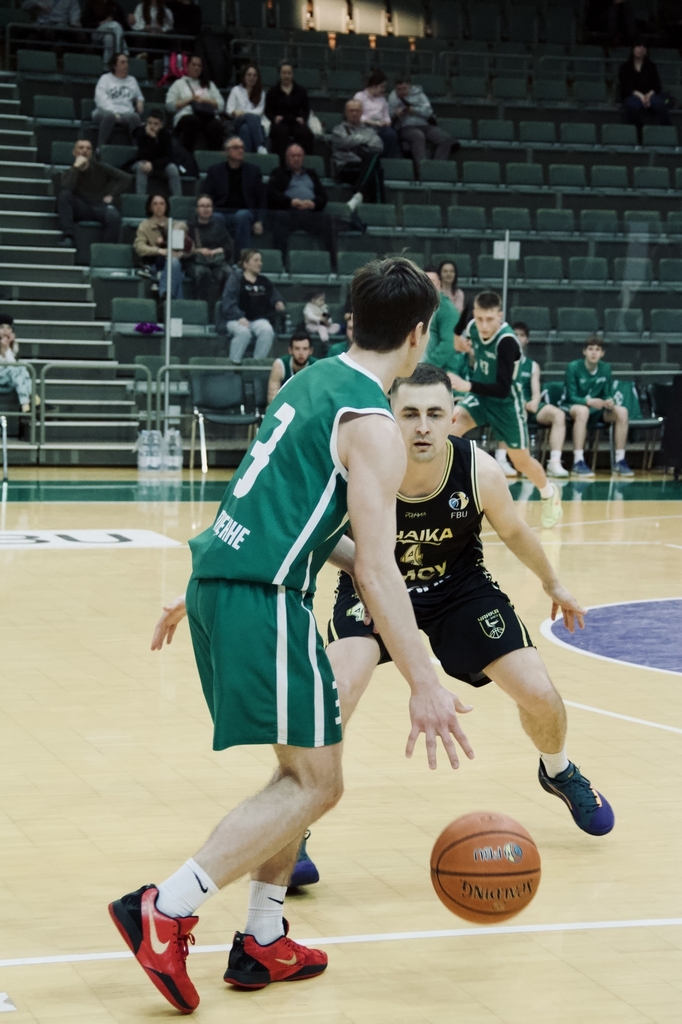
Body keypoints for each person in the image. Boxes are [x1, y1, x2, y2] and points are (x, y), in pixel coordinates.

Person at [108, 257, 469, 1015]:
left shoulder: (309, 382)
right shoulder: (373, 426)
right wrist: (426, 682)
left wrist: (206, 580)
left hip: (230, 582)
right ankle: (165, 909)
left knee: (303, 777)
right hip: (264, 599)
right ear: (418, 334)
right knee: (315, 783)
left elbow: (279, 505)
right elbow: (378, 569)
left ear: (351, 320)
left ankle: (264, 936)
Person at [298, 362, 613, 885]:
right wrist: (364, 569)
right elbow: (317, 532)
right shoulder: (357, 464)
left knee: (540, 694)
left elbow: (514, 531)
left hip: (458, 589)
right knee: (335, 692)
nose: (422, 426)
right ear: (390, 417)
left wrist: (553, 582)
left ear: (453, 418)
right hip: (371, 583)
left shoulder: (479, 471)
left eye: (434, 414)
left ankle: (558, 770)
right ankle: (294, 823)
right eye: (410, 414)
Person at [448, 291, 563, 528]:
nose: (484, 325)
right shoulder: (473, 326)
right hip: (480, 397)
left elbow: (501, 389)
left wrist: (466, 385)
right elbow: (458, 342)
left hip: (507, 403)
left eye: (489, 320)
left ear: (500, 316)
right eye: (479, 318)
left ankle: (549, 493)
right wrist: (461, 327)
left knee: (521, 461)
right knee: (448, 432)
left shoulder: (507, 341)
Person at [496, 322, 569, 480]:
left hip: (529, 405)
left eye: (522, 335)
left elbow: (536, 393)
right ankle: (501, 459)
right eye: (515, 334)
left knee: (558, 415)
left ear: (526, 340)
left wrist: (535, 401)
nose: (518, 338)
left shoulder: (532, 365)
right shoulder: (501, 361)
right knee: (513, 410)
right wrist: (519, 402)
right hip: (509, 403)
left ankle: (554, 462)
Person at [561, 337, 634, 477]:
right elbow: (571, 396)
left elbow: (607, 393)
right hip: (573, 406)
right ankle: (578, 461)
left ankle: (620, 460)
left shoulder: (605, 368)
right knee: (583, 411)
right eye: (590, 349)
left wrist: (609, 400)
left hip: (597, 409)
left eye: (597, 350)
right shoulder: (573, 367)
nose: (594, 353)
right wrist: (588, 401)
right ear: (584, 352)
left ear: (602, 353)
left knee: (622, 412)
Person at [267, 143, 336, 268]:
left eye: (299, 156)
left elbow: (323, 196)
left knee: (327, 220)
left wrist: (313, 203)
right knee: (280, 218)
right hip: (289, 212)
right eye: (293, 156)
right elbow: (272, 195)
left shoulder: (311, 174)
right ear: (286, 158)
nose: (296, 159)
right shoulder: (279, 173)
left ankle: (332, 263)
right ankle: (281, 263)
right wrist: (290, 202)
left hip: (310, 212)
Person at [57, 138, 129, 247]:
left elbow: (125, 178)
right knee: (64, 196)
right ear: (74, 152)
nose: (84, 151)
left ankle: (106, 250)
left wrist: (112, 194)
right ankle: (68, 237)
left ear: (91, 153)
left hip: (99, 206)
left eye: (88, 148)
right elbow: (66, 188)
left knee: (113, 215)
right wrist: (76, 168)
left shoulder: (100, 167)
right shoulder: (69, 172)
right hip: (81, 207)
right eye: (81, 148)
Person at [217, 248, 284, 362]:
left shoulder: (264, 281)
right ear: (246, 264)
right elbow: (228, 302)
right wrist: (239, 316)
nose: (260, 263)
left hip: (257, 319)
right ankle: (234, 364)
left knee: (267, 330)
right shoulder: (236, 280)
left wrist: (278, 302)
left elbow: (274, 295)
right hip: (235, 319)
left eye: (260, 260)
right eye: (256, 260)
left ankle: (256, 364)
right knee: (243, 333)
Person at [202, 136, 265, 257]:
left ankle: (242, 257)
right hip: (221, 211)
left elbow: (261, 199)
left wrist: (260, 221)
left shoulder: (254, 171)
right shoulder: (215, 171)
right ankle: (219, 257)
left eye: (242, 148)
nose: (240, 150)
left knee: (243, 215)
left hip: (244, 212)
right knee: (216, 217)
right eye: (236, 148)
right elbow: (206, 195)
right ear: (227, 151)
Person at [134, 193, 191, 299]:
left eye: (162, 203)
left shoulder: (175, 225)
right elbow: (139, 247)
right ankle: (174, 303)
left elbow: (189, 246)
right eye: (155, 204)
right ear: (150, 207)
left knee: (174, 263)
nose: (159, 207)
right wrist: (159, 251)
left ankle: (164, 295)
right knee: (175, 268)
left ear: (166, 206)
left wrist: (181, 253)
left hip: (175, 261)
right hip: (155, 263)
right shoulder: (144, 225)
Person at [331, 98, 384, 209]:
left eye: (357, 110)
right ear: (346, 113)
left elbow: (379, 147)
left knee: (375, 166)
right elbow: (345, 142)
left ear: (361, 112)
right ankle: (379, 208)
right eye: (351, 110)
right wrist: (365, 140)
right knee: (375, 167)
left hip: (362, 167)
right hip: (344, 167)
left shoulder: (369, 130)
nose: (354, 113)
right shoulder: (338, 130)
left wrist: (354, 140)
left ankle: (358, 195)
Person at [388, 76, 454, 164]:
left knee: (445, 139)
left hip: (424, 124)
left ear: (409, 86)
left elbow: (428, 111)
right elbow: (388, 116)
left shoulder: (419, 94)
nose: (402, 91)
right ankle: (422, 167)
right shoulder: (392, 97)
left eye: (404, 88)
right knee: (418, 136)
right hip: (405, 126)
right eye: (399, 89)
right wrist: (396, 113)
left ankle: (437, 165)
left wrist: (414, 110)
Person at [166, 53, 225, 153]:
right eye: (193, 65)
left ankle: (214, 156)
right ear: (187, 66)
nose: (196, 68)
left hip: (207, 116)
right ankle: (186, 155)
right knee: (193, 121)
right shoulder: (179, 84)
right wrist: (190, 100)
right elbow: (169, 105)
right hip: (187, 115)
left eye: (199, 66)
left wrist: (205, 100)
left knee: (216, 125)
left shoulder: (209, 84)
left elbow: (221, 105)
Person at [186, 194, 232, 308]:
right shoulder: (189, 227)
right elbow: (184, 250)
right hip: (196, 262)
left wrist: (219, 250)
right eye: (202, 206)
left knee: (228, 272)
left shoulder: (219, 226)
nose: (206, 209)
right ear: (197, 209)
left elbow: (229, 247)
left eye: (208, 206)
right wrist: (198, 250)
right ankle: (201, 306)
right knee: (202, 272)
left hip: (217, 262)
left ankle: (223, 306)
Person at [264, 60, 314, 158]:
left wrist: (303, 118)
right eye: (284, 73)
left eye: (289, 73)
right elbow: (268, 111)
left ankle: (305, 161)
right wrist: (274, 118)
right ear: (279, 74)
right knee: (279, 133)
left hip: (296, 121)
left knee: (305, 134)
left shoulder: (301, 91)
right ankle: (281, 162)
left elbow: (306, 109)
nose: (286, 76)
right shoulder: (272, 91)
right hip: (281, 122)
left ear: (292, 74)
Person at [93, 52, 144, 148]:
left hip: (126, 113)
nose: (126, 65)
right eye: (123, 62)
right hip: (105, 112)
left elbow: (139, 95)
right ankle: (100, 148)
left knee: (135, 117)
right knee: (109, 117)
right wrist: (115, 113)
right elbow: (100, 99)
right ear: (115, 66)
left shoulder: (132, 80)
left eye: (127, 62)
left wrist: (139, 101)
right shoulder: (105, 78)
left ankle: (137, 149)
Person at [128, 108, 181, 196]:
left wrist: (153, 164)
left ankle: (177, 198)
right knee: (142, 167)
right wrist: (150, 138)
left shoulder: (166, 135)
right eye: (149, 123)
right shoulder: (141, 133)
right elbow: (143, 156)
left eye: (155, 124)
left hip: (159, 165)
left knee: (172, 168)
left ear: (161, 125)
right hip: (143, 162)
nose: (152, 126)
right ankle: (140, 199)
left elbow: (169, 157)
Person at [619, 41, 671, 129]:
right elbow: (626, 86)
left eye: (644, 47)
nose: (641, 49)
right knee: (632, 106)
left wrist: (648, 95)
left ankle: (667, 130)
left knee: (660, 104)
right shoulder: (625, 67)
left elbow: (656, 85)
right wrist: (641, 96)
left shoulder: (651, 66)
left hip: (650, 95)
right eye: (639, 46)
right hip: (632, 95)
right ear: (633, 49)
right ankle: (638, 131)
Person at [354, 70, 400, 158]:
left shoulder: (382, 99)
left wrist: (386, 122)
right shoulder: (360, 96)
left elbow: (386, 116)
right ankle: (375, 160)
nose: (383, 89)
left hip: (380, 127)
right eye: (382, 87)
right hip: (364, 126)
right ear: (374, 86)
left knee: (391, 134)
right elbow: (356, 115)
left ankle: (385, 159)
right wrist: (372, 122)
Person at [226, 64, 268, 154]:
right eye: (249, 75)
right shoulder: (236, 90)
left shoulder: (261, 93)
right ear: (244, 76)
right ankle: (260, 146)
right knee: (250, 118)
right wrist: (236, 112)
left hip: (254, 121)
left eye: (254, 75)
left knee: (245, 128)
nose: (251, 77)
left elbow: (260, 111)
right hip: (238, 120)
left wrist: (245, 113)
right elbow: (229, 109)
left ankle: (246, 154)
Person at [267, 329, 316, 403]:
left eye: (305, 349)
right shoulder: (280, 365)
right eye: (297, 349)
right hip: (284, 406)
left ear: (310, 351)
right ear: (290, 350)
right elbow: (272, 398)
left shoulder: (316, 366)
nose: (301, 353)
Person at [0, 321, 35, 413]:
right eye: (2, 327)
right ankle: (31, 398)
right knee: (17, 369)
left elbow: (13, 364)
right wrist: (3, 349)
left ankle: (26, 403)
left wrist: (8, 347)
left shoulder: (14, 345)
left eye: (8, 328)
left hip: (10, 379)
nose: (5, 331)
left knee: (22, 367)